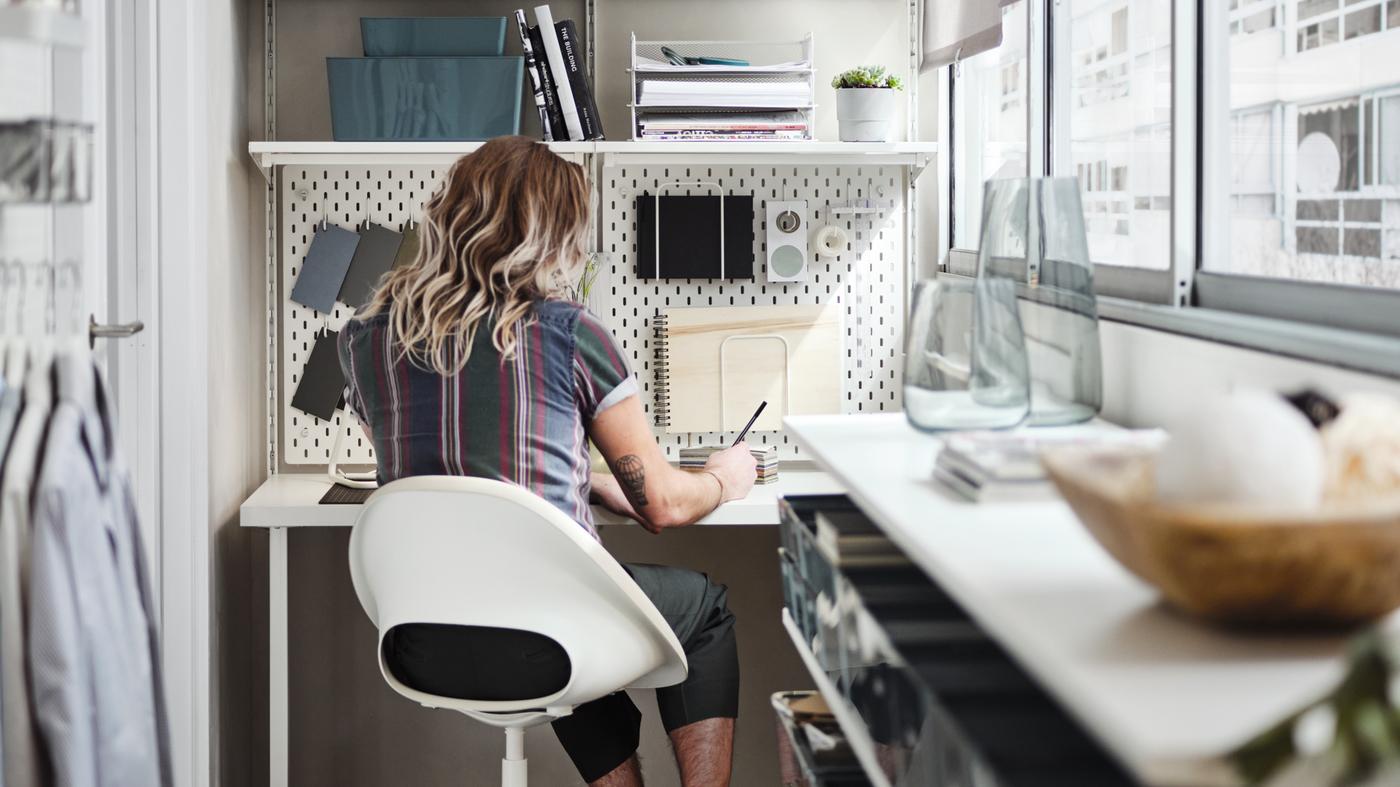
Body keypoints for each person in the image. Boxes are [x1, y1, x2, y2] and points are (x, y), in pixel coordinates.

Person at [338, 135, 757, 787]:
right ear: (551, 233)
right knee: (693, 608)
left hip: (422, 636)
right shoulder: (566, 331)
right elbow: (666, 505)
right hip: (543, 630)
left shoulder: (364, 341)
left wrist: (582, 479)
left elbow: (441, 481)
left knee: (556, 588)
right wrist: (724, 479)